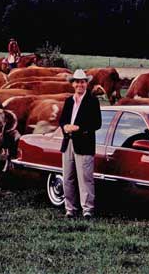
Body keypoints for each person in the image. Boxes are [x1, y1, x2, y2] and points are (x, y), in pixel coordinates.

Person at [59, 68, 101, 219]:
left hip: (84, 143)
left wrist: (79, 128)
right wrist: (65, 127)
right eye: (77, 82)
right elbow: (62, 120)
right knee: (68, 177)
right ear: (73, 84)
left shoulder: (92, 101)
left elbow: (97, 123)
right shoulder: (69, 101)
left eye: (82, 82)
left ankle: (87, 209)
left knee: (85, 178)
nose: (80, 85)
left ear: (86, 84)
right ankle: (70, 208)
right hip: (68, 142)